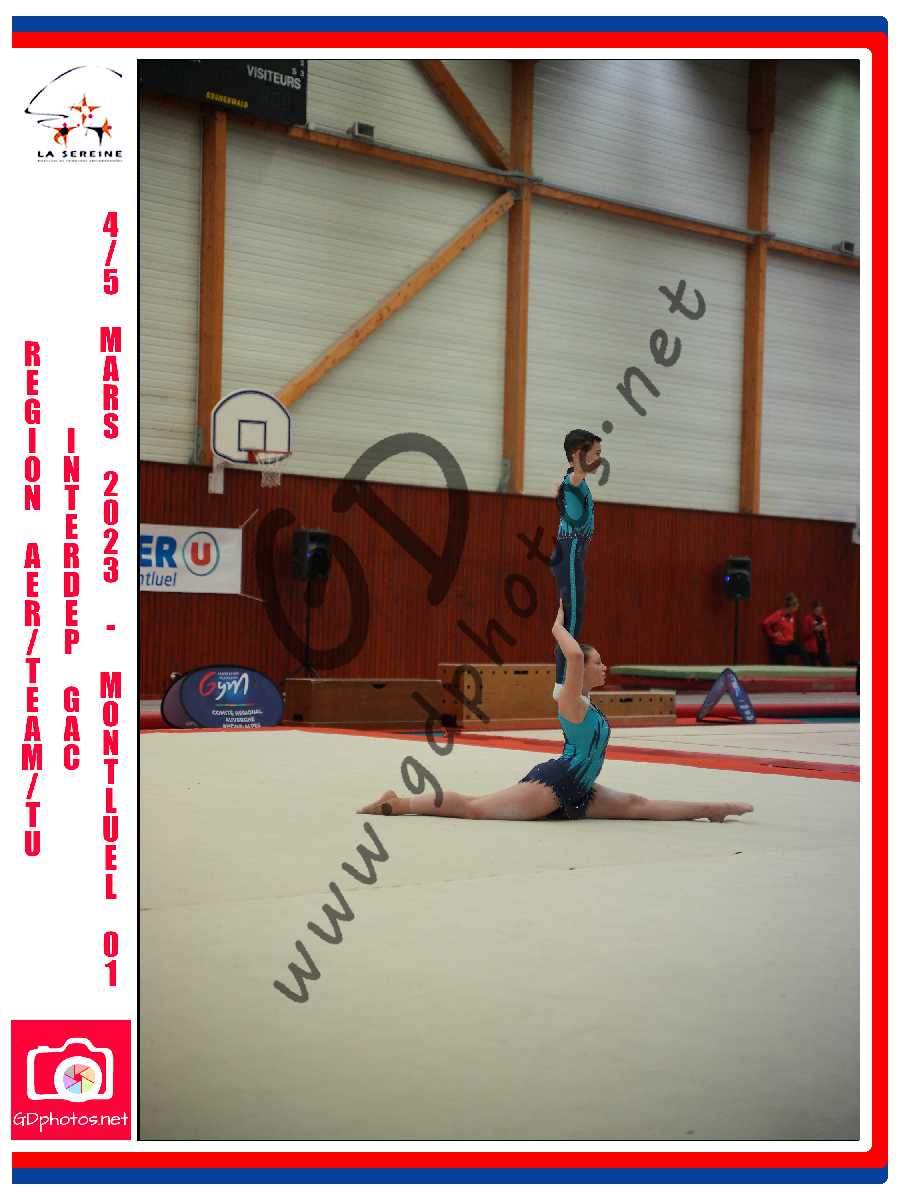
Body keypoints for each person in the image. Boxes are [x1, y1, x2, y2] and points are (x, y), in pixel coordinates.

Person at [359, 603, 753, 824]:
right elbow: (574, 656)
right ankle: (401, 801)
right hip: (555, 784)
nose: (604, 667)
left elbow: (578, 661)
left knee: (638, 805)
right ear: (582, 670)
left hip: (581, 789)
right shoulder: (570, 702)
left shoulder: (588, 704)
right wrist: (557, 628)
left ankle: (711, 809)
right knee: (476, 809)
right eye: (599, 663)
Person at [551, 429, 604, 698]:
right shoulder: (574, 479)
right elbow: (572, 479)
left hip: (573, 552)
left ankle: (565, 680)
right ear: (577, 455)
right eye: (594, 454)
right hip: (570, 550)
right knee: (571, 618)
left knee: (575, 615)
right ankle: (562, 682)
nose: (598, 459)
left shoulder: (573, 481)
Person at [761, 593, 809, 665]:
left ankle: (807, 669)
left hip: (789, 643)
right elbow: (766, 623)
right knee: (781, 666)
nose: (797, 608)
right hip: (779, 645)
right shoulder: (779, 614)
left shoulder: (792, 616)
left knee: (803, 651)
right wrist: (772, 634)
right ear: (791, 606)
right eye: (796, 606)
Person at [799, 600, 832, 667]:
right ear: (813, 610)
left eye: (820, 610)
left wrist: (827, 646)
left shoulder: (823, 618)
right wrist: (814, 630)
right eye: (817, 610)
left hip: (823, 647)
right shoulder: (808, 618)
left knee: (828, 666)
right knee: (812, 668)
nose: (819, 612)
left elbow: (826, 634)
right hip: (812, 648)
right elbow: (804, 634)